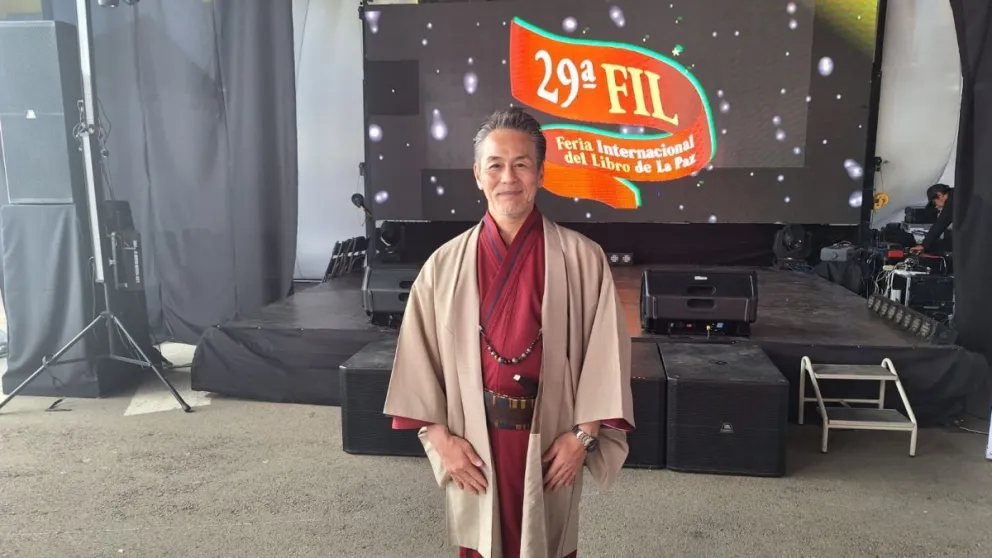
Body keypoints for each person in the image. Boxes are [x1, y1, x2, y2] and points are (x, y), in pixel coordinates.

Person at [383, 107, 634, 558]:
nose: (508, 177)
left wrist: (583, 437)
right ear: (477, 174)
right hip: (473, 441)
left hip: (551, 437)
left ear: (540, 173)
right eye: (495, 165)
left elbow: (606, 355)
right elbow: (418, 360)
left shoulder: (582, 258)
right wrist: (443, 443)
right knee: (479, 546)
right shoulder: (444, 265)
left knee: (549, 545)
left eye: (521, 164)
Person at [911, 184, 953, 254]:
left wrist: (924, 245)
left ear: (940, 195)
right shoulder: (958, 195)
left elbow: (941, 223)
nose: (936, 206)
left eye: (934, 202)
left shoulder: (952, 200)